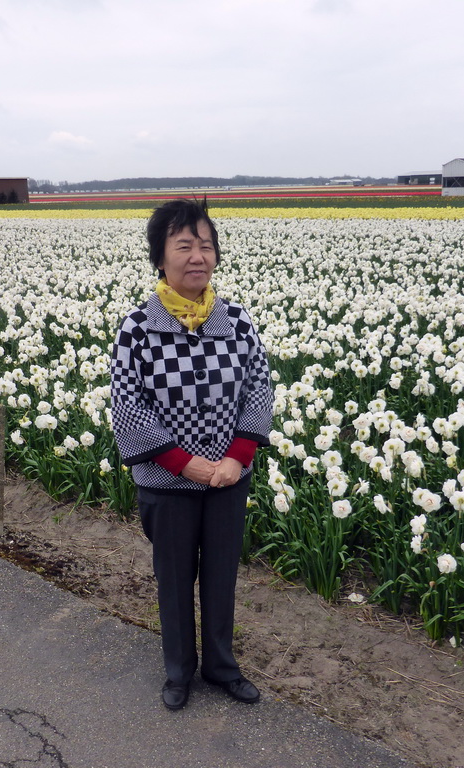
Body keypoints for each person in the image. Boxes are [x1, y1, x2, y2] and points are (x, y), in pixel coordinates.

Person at [110, 198, 273, 711]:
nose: (197, 256)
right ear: (160, 257)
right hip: (167, 482)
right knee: (175, 580)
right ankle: (179, 671)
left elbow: (260, 390)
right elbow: (128, 405)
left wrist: (236, 456)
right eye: (184, 245)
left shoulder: (237, 322)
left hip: (229, 478)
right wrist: (185, 463)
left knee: (222, 576)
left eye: (206, 245)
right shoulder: (138, 328)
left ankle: (221, 666)